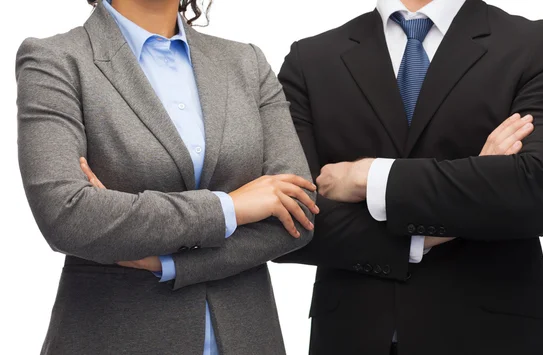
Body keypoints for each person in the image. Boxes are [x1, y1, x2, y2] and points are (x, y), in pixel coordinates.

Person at [275, 0, 543, 354]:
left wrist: (367, 176)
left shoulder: (538, 45)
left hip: (494, 336)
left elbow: (539, 188)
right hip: (353, 336)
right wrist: (474, 188)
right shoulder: (310, 60)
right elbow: (287, 221)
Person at [15, 0, 318, 354]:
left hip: (247, 337)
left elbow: (299, 210)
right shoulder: (56, 60)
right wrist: (230, 208)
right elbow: (67, 215)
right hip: (115, 336)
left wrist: (170, 263)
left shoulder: (246, 62)